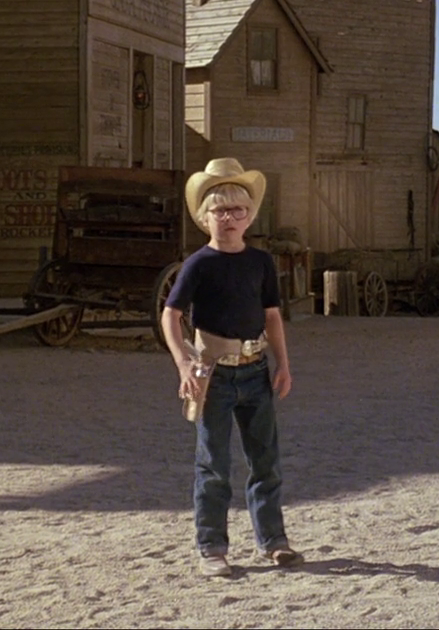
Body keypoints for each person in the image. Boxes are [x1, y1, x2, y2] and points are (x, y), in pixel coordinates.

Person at [160, 157, 303, 578]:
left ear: (250, 215)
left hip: (256, 371)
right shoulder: (198, 264)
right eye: (220, 210)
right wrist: (182, 363)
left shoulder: (261, 262)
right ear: (205, 217)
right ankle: (212, 548)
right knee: (213, 465)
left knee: (266, 461)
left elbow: (272, 315)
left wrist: (283, 364)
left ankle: (273, 542)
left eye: (237, 210)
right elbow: (171, 314)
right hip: (214, 375)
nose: (229, 218)